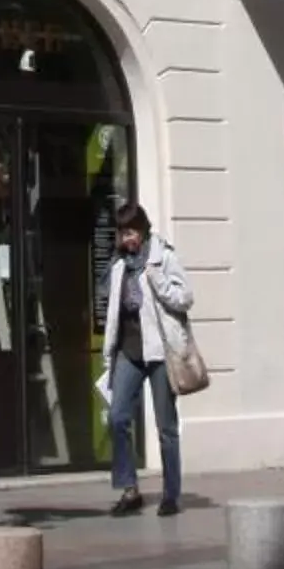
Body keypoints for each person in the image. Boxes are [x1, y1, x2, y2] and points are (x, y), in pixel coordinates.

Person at [103, 201, 192, 515]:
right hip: (129, 351)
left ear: (142, 229)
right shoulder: (118, 266)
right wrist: (109, 356)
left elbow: (185, 298)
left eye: (131, 232)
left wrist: (159, 282)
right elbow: (115, 314)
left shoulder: (163, 257)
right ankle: (130, 489)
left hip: (158, 352)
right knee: (117, 418)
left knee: (166, 426)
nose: (127, 239)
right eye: (122, 233)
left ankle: (171, 495)